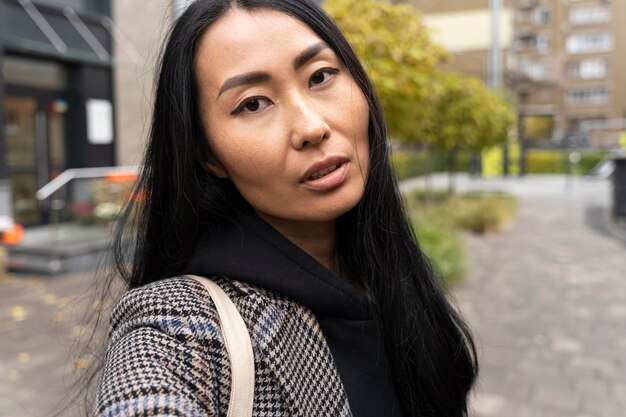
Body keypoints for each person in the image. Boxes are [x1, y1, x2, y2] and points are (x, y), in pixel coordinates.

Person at [95, 0, 478, 416]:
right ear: (208, 155)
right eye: (253, 104)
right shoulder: (178, 329)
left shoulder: (393, 269)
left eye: (320, 76)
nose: (312, 127)